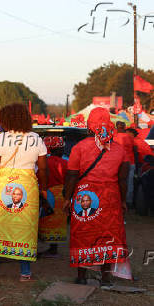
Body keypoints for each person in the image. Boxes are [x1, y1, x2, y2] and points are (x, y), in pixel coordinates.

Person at [63, 107, 129, 288]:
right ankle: (106, 278)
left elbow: (72, 176)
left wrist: (67, 199)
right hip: (110, 198)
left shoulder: (79, 148)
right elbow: (123, 180)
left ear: (89, 126)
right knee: (109, 235)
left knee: (82, 234)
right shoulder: (119, 150)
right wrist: (122, 201)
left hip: (84, 196)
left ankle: (82, 276)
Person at [0, 104, 48, 282]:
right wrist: (43, 189)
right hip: (28, 186)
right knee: (26, 228)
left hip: (2, 186)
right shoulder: (36, 139)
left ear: (6, 119)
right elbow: (43, 169)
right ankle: (25, 273)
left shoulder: (1, 139)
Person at [114, 121, 135, 207]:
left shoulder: (114, 137)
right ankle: (128, 201)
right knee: (129, 182)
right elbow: (135, 149)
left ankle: (119, 200)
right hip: (131, 162)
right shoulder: (130, 137)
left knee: (118, 182)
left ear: (117, 127)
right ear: (124, 127)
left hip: (119, 163)